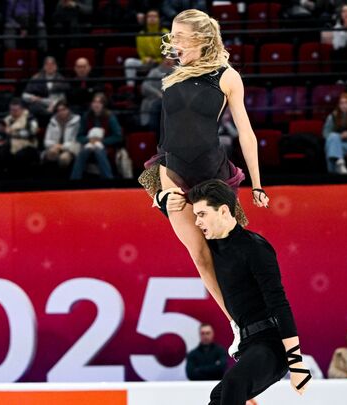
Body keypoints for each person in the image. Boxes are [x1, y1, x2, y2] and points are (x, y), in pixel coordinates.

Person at [138, 9, 269, 356]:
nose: (173, 43)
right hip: (174, 174)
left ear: (200, 38)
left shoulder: (227, 76)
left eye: (179, 36)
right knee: (199, 254)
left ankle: (256, 316)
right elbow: (165, 141)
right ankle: (237, 324)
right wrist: (165, 186)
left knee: (225, 252)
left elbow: (246, 132)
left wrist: (257, 183)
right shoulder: (173, 77)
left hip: (212, 173)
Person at [169, 179, 311, 404]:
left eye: (202, 214)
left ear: (224, 210)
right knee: (217, 397)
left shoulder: (255, 248)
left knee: (234, 384)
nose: (197, 222)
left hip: (272, 345)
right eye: (196, 215)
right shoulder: (213, 246)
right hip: (248, 343)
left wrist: (296, 362)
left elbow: (279, 303)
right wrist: (161, 199)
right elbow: (179, 223)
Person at [70, 92, 122, 180]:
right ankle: (75, 180)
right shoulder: (86, 116)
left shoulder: (110, 117)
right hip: (89, 143)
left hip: (105, 145)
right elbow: (79, 136)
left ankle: (109, 180)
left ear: (103, 105)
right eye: (94, 102)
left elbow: (118, 136)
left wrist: (102, 141)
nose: (96, 104)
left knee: (98, 151)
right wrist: (88, 140)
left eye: (99, 102)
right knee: (82, 152)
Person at [0, 97, 39, 178]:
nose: (13, 112)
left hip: (27, 145)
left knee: (19, 156)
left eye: (15, 110)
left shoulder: (30, 118)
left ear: (22, 109)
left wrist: (14, 133)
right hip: (10, 144)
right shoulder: (7, 119)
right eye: (11, 110)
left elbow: (32, 132)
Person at [124, 9, 168, 87]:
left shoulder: (165, 32)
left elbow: (168, 54)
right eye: (149, 16)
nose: (152, 18)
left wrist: (157, 60)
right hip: (147, 62)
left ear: (159, 19)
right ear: (146, 19)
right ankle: (130, 88)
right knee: (129, 62)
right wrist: (145, 59)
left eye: (155, 16)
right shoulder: (141, 34)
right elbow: (141, 53)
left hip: (161, 63)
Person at [22, 56, 69, 126]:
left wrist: (53, 104)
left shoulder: (61, 80)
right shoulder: (36, 78)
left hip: (55, 107)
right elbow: (24, 95)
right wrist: (32, 97)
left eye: (52, 64)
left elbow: (63, 98)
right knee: (33, 107)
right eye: (47, 64)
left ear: (56, 66)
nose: (50, 67)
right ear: (44, 67)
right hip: (39, 106)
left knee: (61, 108)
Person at [43, 99, 81, 171]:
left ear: (68, 109)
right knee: (51, 153)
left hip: (69, 149)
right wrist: (55, 145)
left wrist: (62, 146)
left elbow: (76, 141)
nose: (61, 112)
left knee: (64, 158)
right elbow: (46, 141)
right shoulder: (52, 122)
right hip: (55, 147)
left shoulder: (76, 121)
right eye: (59, 110)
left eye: (63, 109)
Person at [140, 57, 174, 129]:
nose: (168, 61)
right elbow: (145, 85)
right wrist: (157, 93)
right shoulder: (154, 71)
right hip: (155, 99)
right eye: (166, 59)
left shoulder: (177, 73)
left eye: (171, 59)